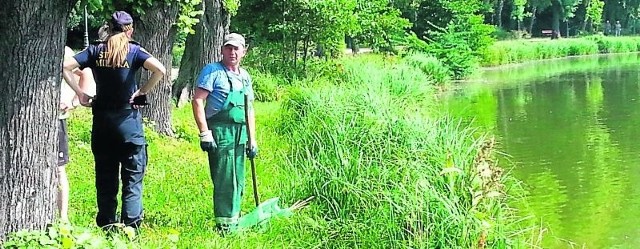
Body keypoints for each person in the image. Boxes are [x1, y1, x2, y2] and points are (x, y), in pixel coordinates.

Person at [62, 10, 166, 231]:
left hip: (102, 125)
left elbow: (66, 67)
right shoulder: (134, 51)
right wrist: (142, 92)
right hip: (129, 125)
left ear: (109, 28)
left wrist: (80, 93)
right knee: (133, 179)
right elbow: (160, 70)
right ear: (130, 29)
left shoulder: (96, 50)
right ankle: (131, 226)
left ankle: (107, 224)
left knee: (105, 178)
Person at [192, 33, 258, 233]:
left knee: (238, 179)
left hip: (240, 133)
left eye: (237, 48)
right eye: (228, 48)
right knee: (225, 179)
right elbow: (197, 101)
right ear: (222, 50)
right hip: (221, 132)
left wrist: (252, 140)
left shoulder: (245, 76)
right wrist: (205, 133)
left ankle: (234, 218)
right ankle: (224, 227)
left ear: (243, 52)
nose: (232, 52)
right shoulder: (213, 71)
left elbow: (249, 109)